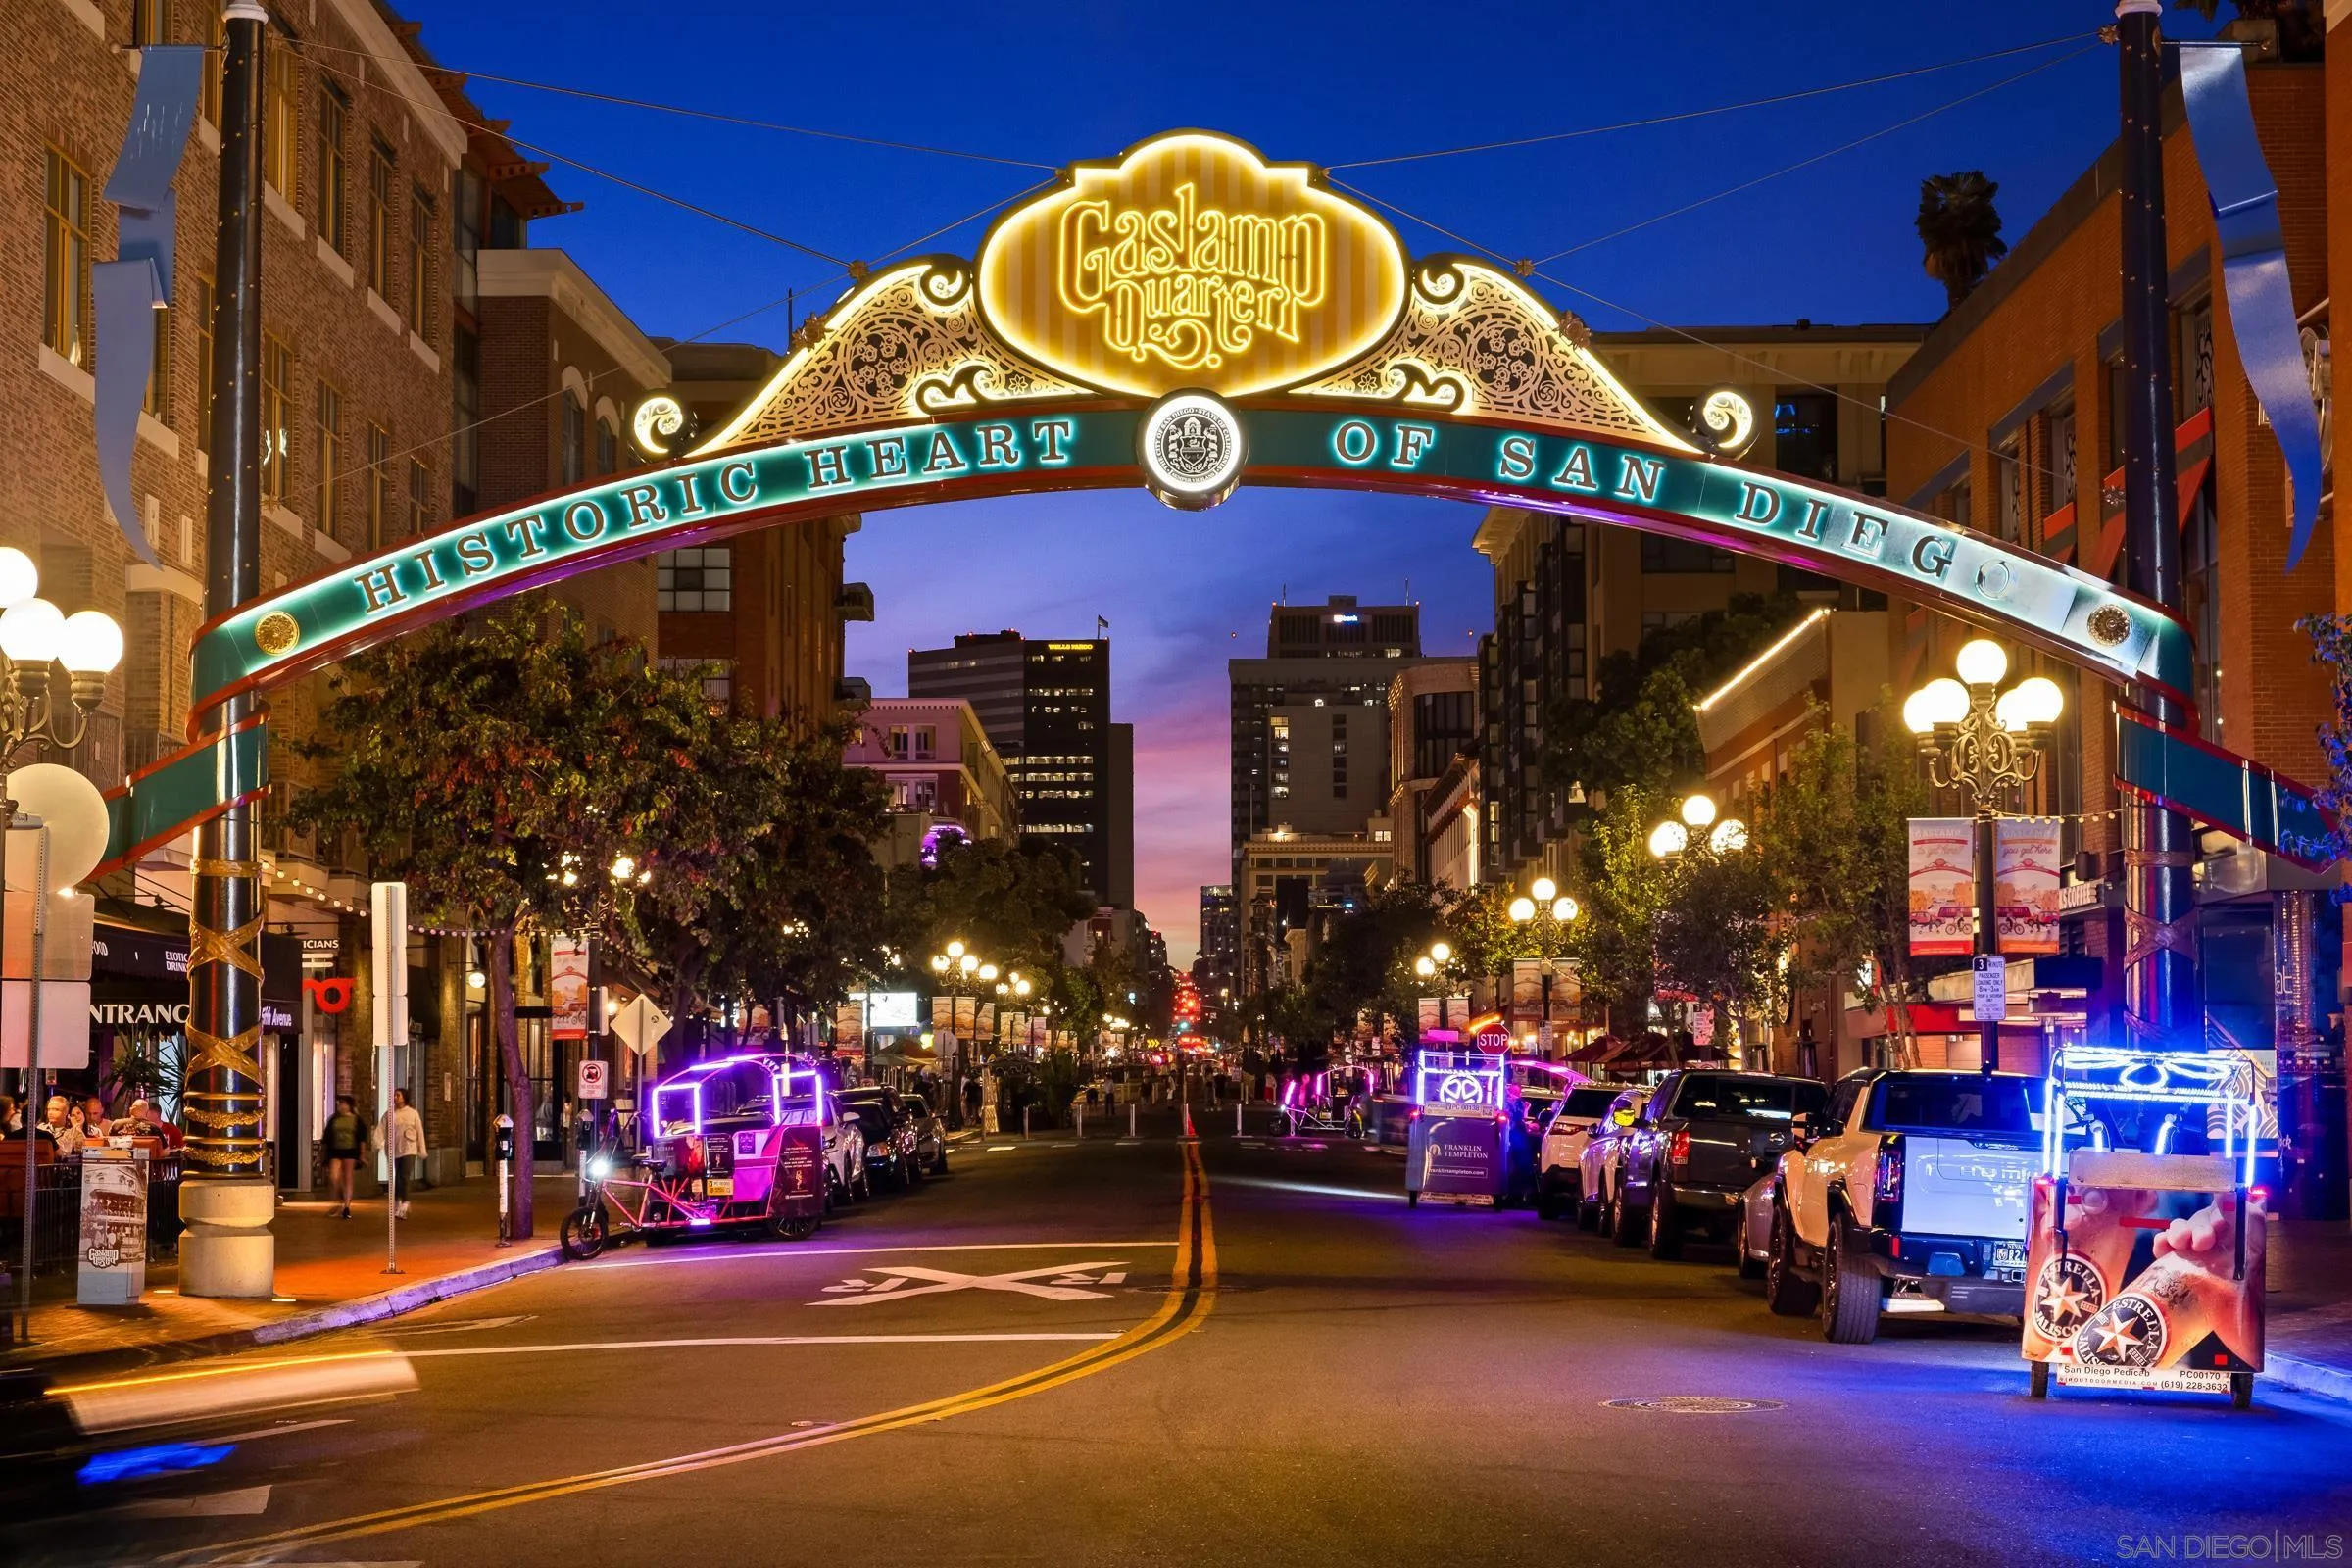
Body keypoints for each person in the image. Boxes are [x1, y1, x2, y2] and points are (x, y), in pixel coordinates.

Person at [375, 1088, 426, 1219]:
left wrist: (422, 1149)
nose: (395, 1097)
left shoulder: (413, 1114)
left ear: (404, 1097)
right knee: (397, 1177)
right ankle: (398, 1202)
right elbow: (381, 1129)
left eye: (398, 1095)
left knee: (404, 1175)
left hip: (409, 1149)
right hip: (394, 1150)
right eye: (394, 1095)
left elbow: (419, 1132)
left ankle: (405, 1202)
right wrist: (378, 1143)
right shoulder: (389, 1114)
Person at [321, 1095, 364, 1219]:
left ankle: (346, 1206)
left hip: (350, 1151)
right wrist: (323, 1152)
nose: (341, 1106)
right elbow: (327, 1136)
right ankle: (341, 1197)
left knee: (348, 1177)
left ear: (349, 1106)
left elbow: (361, 1137)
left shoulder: (356, 1120)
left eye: (343, 1104)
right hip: (335, 1151)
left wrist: (361, 1154)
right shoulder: (334, 1119)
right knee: (334, 1177)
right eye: (340, 1104)